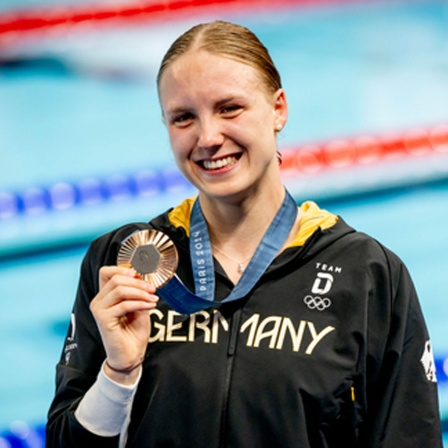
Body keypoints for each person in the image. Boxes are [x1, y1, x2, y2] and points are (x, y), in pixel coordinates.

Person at [46, 20, 443, 447]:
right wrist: (118, 374)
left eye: (229, 108)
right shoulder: (123, 262)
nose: (208, 137)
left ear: (278, 109)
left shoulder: (367, 275)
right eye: (183, 118)